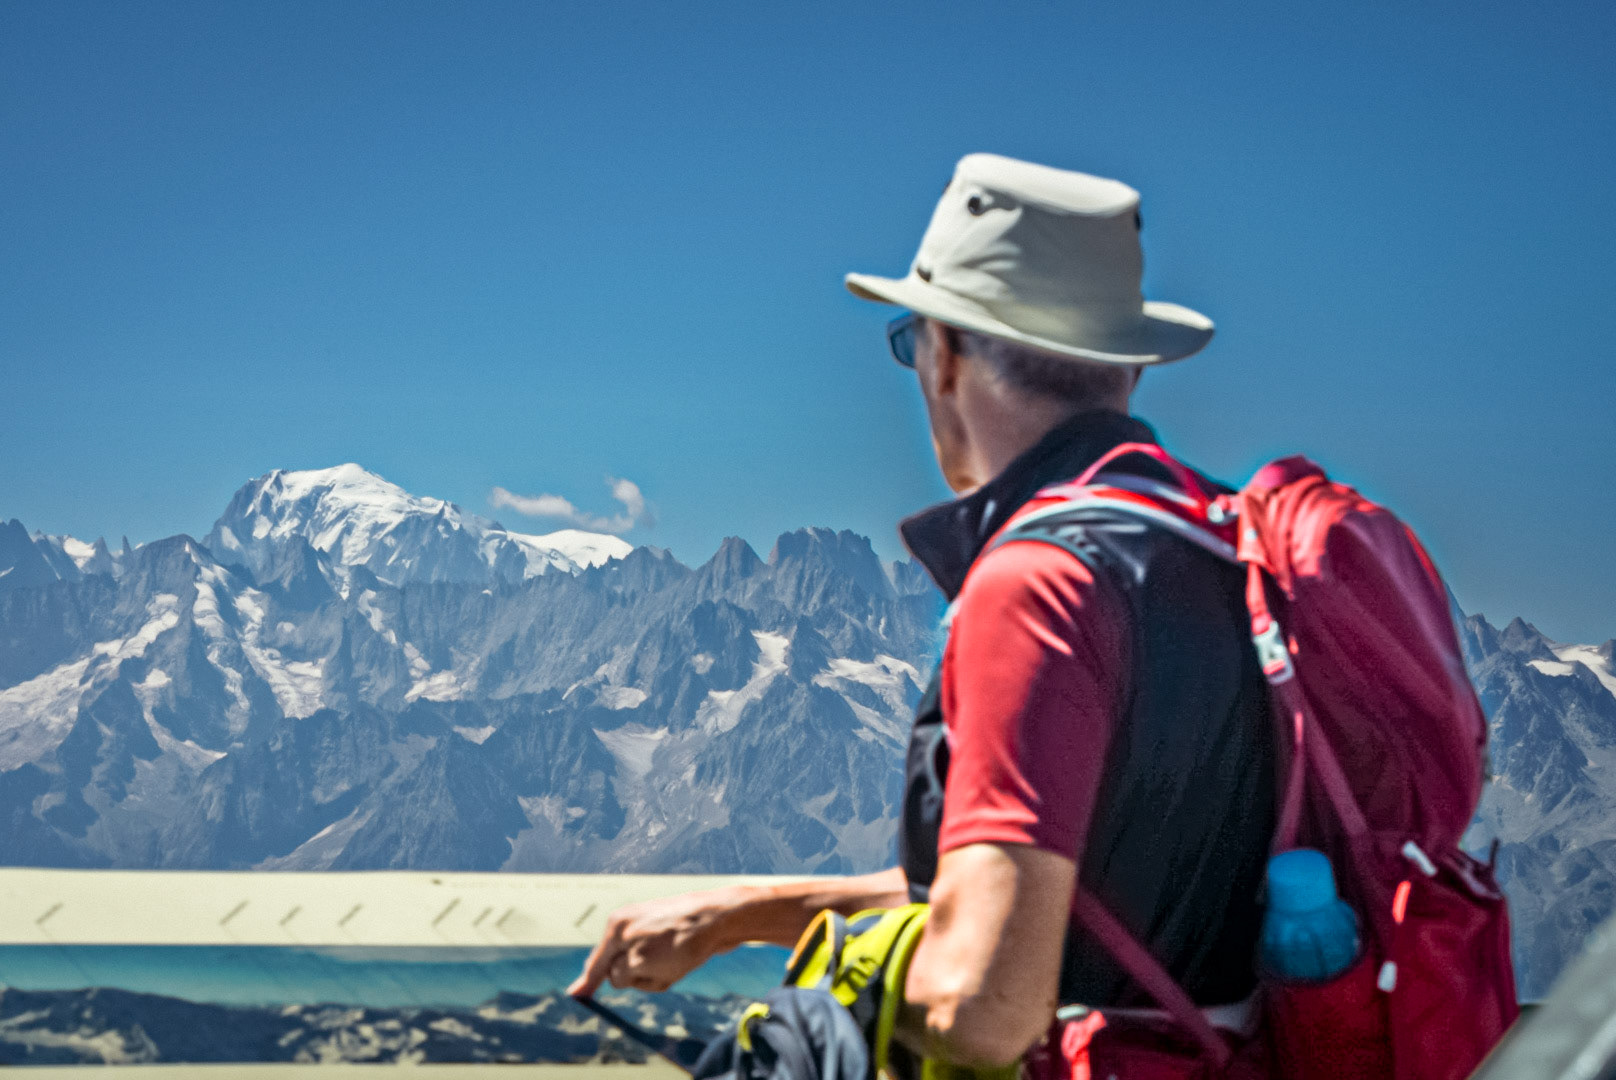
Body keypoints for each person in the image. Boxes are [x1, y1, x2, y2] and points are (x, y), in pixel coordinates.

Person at [569, 153, 1276, 1071]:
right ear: (1129, 370)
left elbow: (987, 1007)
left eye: (912, 343)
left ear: (943, 357)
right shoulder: (1226, 550)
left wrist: (837, 983)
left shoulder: (1041, 584)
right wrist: (742, 914)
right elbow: (1040, 894)